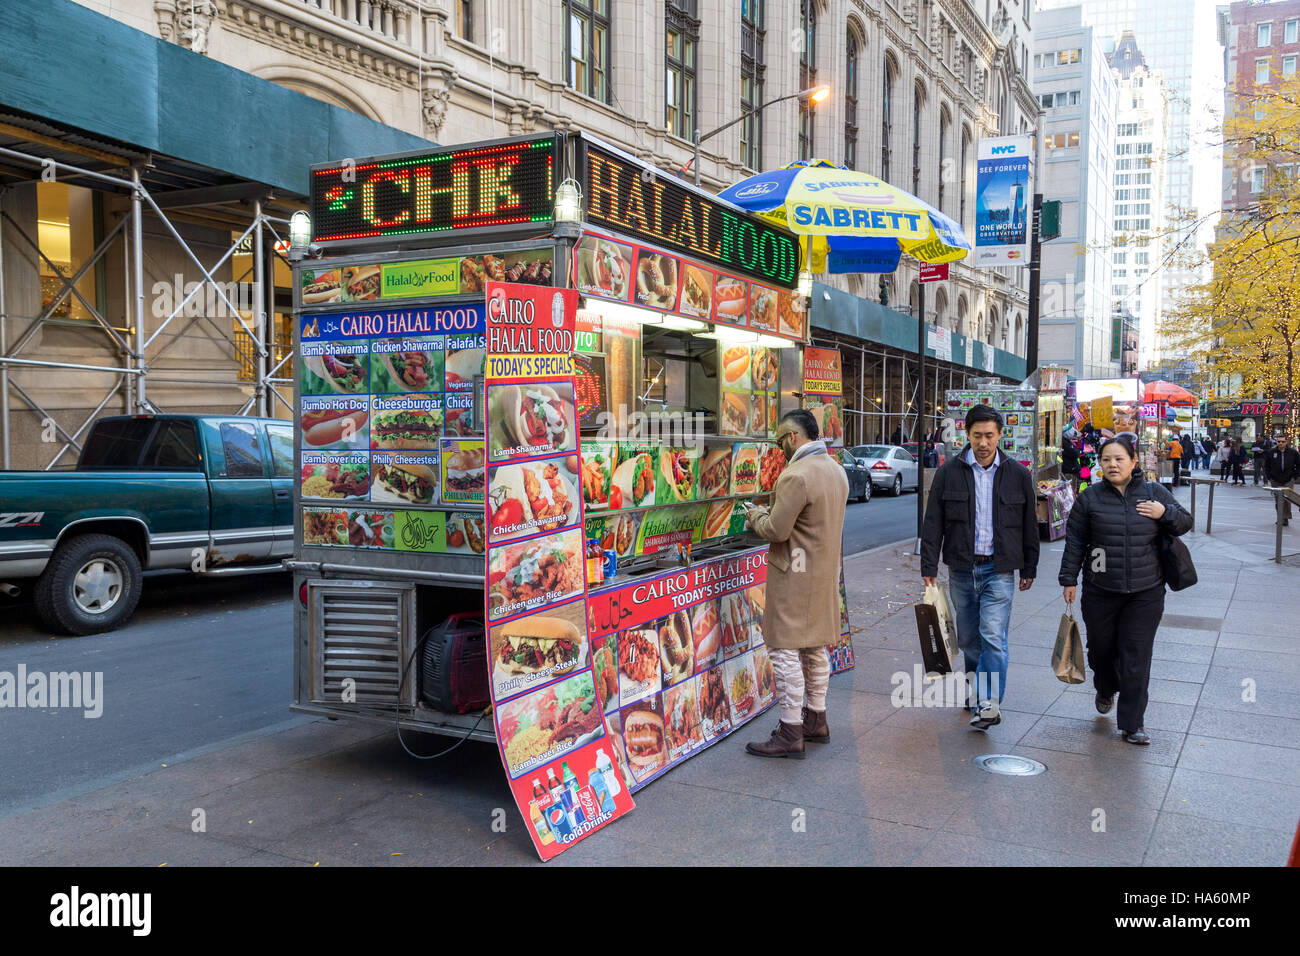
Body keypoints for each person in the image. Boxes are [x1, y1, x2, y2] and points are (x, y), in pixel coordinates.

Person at [1058, 436, 1193, 745]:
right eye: (1106, 459)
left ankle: (1133, 724)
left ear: (1134, 461)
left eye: (1119, 459)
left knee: (1136, 656)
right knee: (1100, 651)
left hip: (1145, 592)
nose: (1112, 464)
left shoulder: (1154, 493)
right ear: (1100, 464)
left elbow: (1185, 522)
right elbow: (1075, 542)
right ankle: (1105, 686)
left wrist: (1164, 514)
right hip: (1100, 590)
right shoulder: (1089, 498)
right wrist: (1069, 580)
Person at [921, 405, 1039, 730]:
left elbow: (1029, 524)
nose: (983, 442)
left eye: (989, 435)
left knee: (994, 637)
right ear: (967, 435)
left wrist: (1030, 566)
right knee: (971, 640)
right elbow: (933, 523)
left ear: (1000, 435)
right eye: (977, 436)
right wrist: (928, 565)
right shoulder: (949, 473)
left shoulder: (1017, 474)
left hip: (999, 569)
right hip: (961, 568)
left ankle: (988, 703)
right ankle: (975, 694)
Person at [744, 409, 848, 758]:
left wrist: (754, 515)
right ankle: (816, 719)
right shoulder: (836, 471)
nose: (779, 449)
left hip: (794, 577)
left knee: (784, 649)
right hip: (822, 576)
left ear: (793, 438)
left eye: (779, 442)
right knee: (815, 647)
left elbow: (776, 529)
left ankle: (790, 731)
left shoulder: (796, 476)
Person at [1263, 433, 1300, 525]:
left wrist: (1294, 476)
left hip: (1288, 479)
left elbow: (1298, 465)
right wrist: (1270, 477)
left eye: (1282, 442)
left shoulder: (1293, 452)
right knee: (1278, 500)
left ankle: (1285, 517)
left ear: (1286, 442)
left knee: (1287, 499)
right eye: (1279, 441)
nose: (1280, 443)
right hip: (1275, 479)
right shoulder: (1271, 452)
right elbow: (1267, 466)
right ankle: (1281, 517)